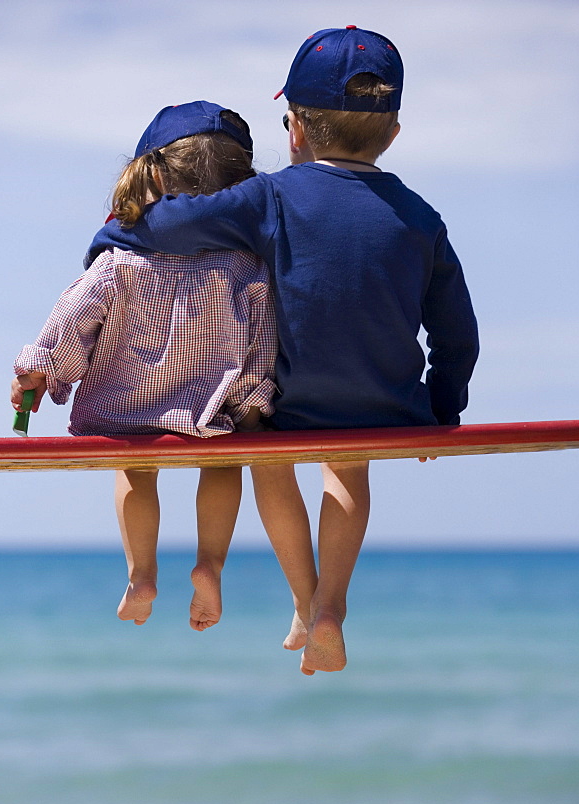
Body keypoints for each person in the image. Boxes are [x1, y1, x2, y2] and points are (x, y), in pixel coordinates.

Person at [83, 27, 480, 676]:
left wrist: (121, 227)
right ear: (394, 132)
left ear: (293, 126)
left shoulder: (270, 196)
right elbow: (456, 330)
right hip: (385, 403)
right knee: (347, 473)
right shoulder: (421, 218)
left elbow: (175, 225)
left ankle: (303, 597)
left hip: (288, 397)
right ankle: (330, 608)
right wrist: (442, 409)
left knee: (271, 460)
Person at [11, 103, 278, 631]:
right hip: (210, 406)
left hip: (128, 406)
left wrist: (38, 368)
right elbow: (261, 335)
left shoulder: (119, 260)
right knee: (224, 464)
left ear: (153, 173)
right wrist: (253, 404)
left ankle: (142, 575)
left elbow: (74, 315)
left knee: (135, 472)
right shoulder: (246, 263)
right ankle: (211, 565)